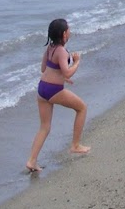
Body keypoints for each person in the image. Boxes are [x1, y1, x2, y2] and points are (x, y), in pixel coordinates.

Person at [24, 17, 91, 173]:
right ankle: (75, 145)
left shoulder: (50, 49)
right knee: (82, 108)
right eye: (68, 30)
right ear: (63, 34)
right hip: (53, 90)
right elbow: (67, 71)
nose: (70, 32)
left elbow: (44, 69)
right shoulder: (61, 51)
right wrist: (76, 62)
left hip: (42, 89)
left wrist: (63, 78)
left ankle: (31, 161)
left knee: (44, 127)